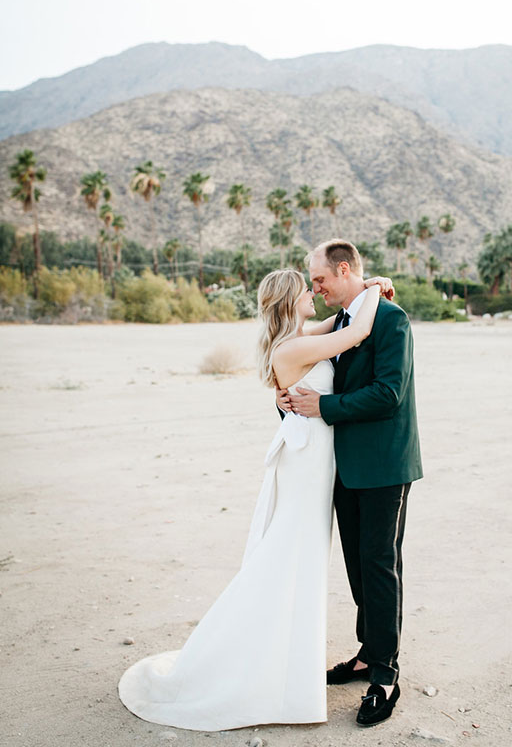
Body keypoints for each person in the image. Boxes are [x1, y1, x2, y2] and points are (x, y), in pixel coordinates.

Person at [118, 268, 391, 732]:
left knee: (295, 560)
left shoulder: (299, 336)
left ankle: (285, 661)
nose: (313, 292)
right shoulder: (294, 346)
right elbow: (359, 329)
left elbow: (339, 325)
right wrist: (373, 286)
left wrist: (364, 291)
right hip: (306, 469)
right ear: (289, 300)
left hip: (312, 462)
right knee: (289, 560)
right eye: (306, 288)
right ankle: (267, 669)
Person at [284, 239, 422, 727]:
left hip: (385, 465)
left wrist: (323, 408)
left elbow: (389, 393)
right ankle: (368, 652)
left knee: (380, 565)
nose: (316, 288)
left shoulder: (390, 319)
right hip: (343, 467)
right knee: (358, 568)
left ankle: (386, 673)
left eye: (320, 278)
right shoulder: (343, 322)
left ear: (344, 270)